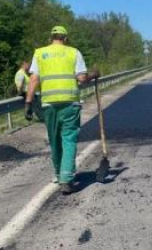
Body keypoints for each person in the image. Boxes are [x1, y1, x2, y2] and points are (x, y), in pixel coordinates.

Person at [25, 26, 100, 194]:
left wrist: (28, 103)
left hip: (49, 104)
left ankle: (59, 174)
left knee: (55, 140)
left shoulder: (39, 53)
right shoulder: (73, 52)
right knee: (69, 139)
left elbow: (34, 79)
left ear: (50, 38)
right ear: (65, 39)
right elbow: (81, 78)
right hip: (70, 103)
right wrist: (93, 75)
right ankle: (66, 178)